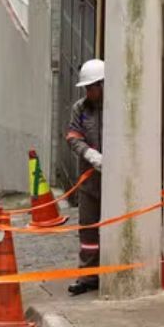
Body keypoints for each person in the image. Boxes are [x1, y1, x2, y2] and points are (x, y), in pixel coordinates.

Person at [65, 58, 104, 296]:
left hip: (113, 182)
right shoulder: (80, 109)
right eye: (86, 88)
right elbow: (72, 136)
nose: (89, 92)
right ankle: (88, 275)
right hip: (89, 182)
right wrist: (88, 153)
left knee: (112, 227)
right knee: (88, 230)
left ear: (103, 85)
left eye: (92, 87)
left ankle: (112, 269)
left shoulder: (117, 108)